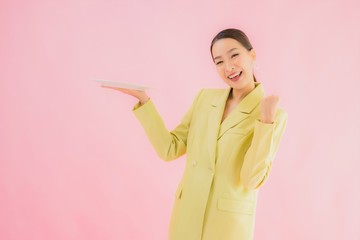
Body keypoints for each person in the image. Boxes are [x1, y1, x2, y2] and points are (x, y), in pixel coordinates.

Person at [101, 28, 288, 240]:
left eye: (234, 55)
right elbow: (169, 149)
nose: (229, 67)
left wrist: (266, 122)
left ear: (252, 55)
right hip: (186, 217)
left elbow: (251, 180)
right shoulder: (205, 99)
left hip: (227, 227)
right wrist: (143, 100)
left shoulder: (273, 116)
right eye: (219, 62)